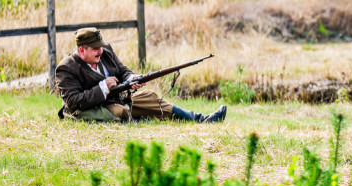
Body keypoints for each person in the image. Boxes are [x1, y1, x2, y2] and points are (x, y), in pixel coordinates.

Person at [56, 27, 227, 123]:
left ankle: (202, 119)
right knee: (117, 111)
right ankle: (138, 120)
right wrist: (102, 88)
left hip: (117, 99)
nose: (100, 51)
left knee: (150, 97)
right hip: (90, 109)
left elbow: (123, 71)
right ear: (81, 50)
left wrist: (132, 79)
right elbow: (73, 102)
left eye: (100, 47)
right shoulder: (66, 68)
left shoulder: (105, 51)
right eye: (95, 49)